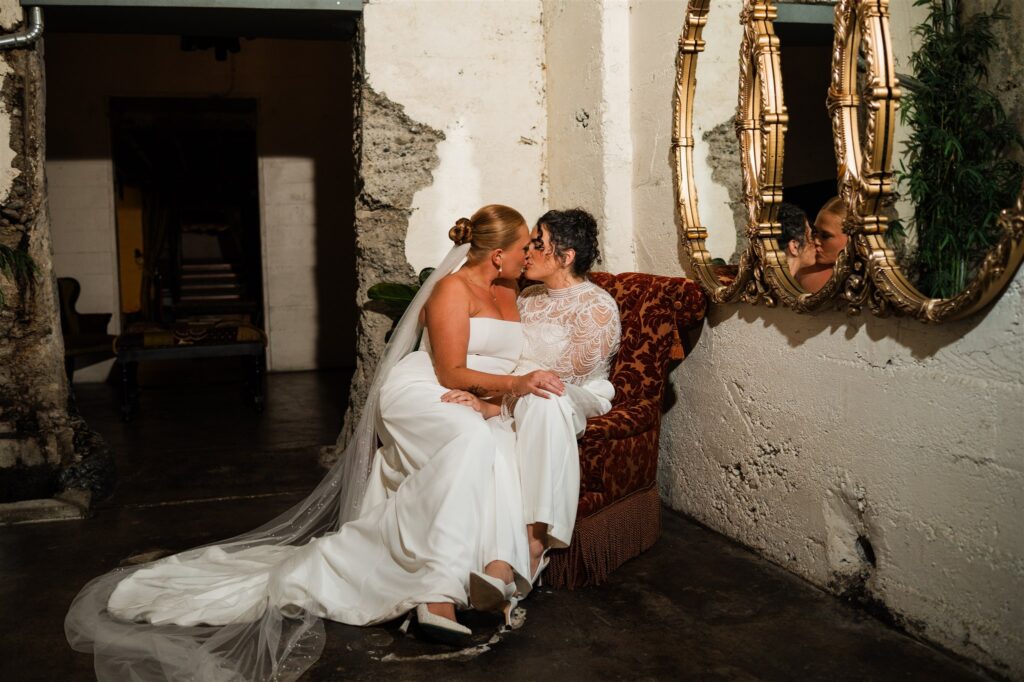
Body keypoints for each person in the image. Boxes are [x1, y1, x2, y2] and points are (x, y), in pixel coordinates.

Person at [65, 205, 572, 680]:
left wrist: (498, 403)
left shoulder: (514, 291)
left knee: (490, 442)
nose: (529, 254)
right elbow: (450, 370)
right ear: (497, 254)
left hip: (480, 396)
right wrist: (510, 389)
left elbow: (524, 350)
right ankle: (438, 589)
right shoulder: (451, 290)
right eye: (524, 246)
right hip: (428, 389)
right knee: (470, 439)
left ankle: (491, 570)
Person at [442, 209, 621, 592]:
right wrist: (490, 396)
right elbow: (511, 363)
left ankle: (536, 539)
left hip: (578, 395)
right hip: (522, 395)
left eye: (537, 244)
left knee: (545, 396)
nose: (527, 252)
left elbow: (563, 380)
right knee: (496, 428)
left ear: (566, 256)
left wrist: (495, 405)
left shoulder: (597, 307)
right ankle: (488, 560)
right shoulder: (528, 297)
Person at [801, 195, 849, 293]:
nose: (816, 241)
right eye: (815, 232)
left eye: (825, 236)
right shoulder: (803, 265)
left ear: (851, 237)